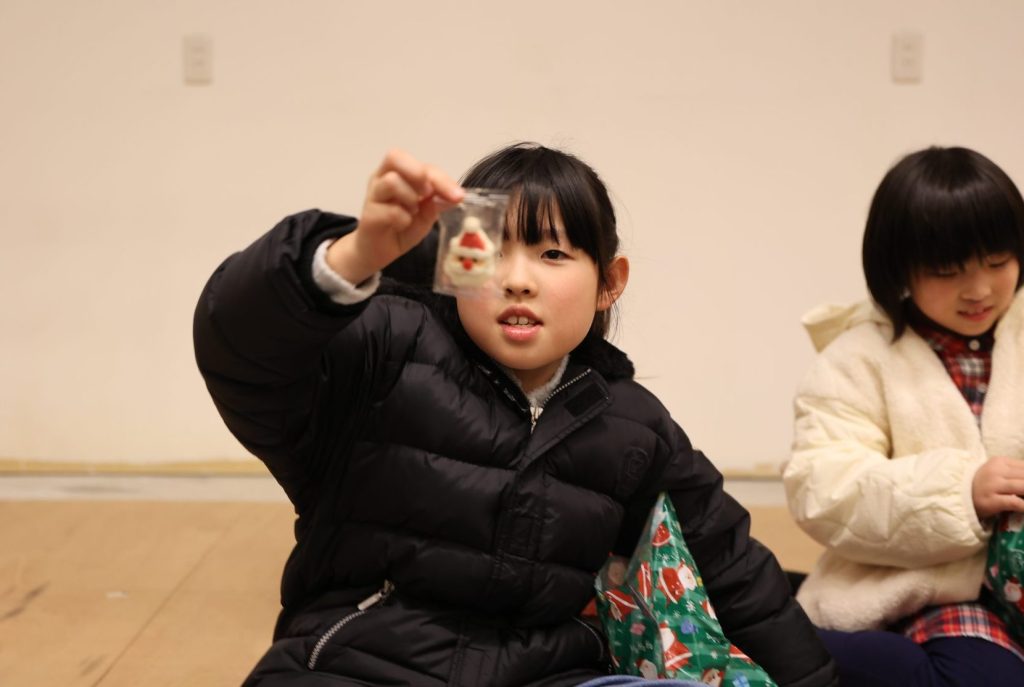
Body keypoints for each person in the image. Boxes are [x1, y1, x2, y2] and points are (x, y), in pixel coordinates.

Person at [194, 143, 837, 686]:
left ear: (609, 282)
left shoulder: (634, 426)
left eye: (552, 254)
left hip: (547, 673)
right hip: (357, 665)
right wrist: (356, 254)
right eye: (493, 251)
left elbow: (733, 571)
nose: (519, 280)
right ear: (451, 261)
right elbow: (240, 348)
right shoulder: (383, 351)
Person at [782, 146, 1024, 685]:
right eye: (947, 270)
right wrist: (962, 491)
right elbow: (823, 490)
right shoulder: (857, 359)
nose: (979, 289)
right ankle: (782, 636)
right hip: (929, 589)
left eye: (998, 262)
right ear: (898, 268)